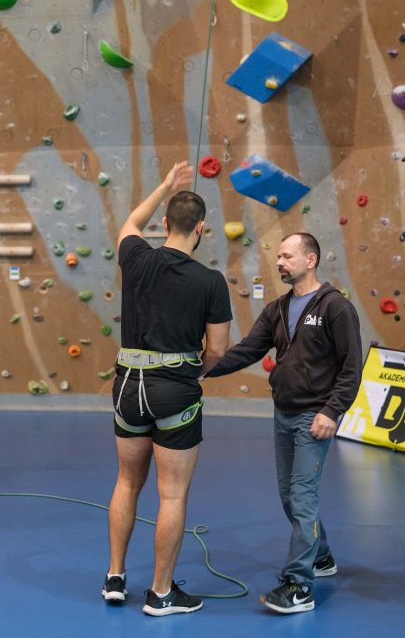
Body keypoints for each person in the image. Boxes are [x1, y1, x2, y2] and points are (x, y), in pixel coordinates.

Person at [206, 232, 362, 614]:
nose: (279, 262)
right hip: (283, 413)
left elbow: (352, 368)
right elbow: (247, 350)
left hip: (314, 416)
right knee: (289, 497)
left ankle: (299, 586)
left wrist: (332, 411)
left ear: (311, 260)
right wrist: (202, 369)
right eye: (278, 256)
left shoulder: (336, 307)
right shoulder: (276, 309)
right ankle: (321, 556)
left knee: (303, 497)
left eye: (287, 256)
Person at [102, 161, 232, 617]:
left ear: (164, 224)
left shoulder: (136, 257)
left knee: (126, 481)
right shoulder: (210, 281)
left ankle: (115, 577)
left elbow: (129, 222)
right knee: (171, 494)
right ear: (201, 228)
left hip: (127, 387)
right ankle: (160, 594)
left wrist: (165, 185)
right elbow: (218, 350)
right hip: (174, 390)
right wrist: (193, 376)